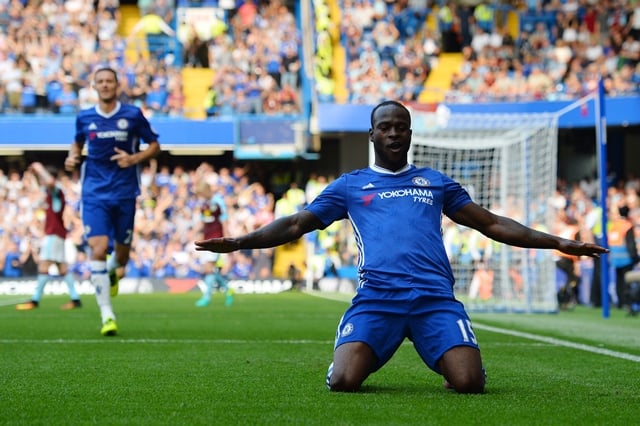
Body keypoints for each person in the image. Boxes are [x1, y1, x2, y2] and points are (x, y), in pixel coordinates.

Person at [195, 100, 608, 393]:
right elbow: (298, 223)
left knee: (469, 384)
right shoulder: (351, 186)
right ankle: (350, 350)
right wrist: (242, 243)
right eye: (386, 127)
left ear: (410, 133)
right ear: (372, 134)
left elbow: (492, 223)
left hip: (434, 299)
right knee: (343, 382)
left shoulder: (436, 182)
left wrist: (559, 242)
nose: (394, 133)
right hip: (378, 299)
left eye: (401, 127)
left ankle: (449, 357)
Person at [65, 67, 161, 336]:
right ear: (93, 86)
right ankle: (107, 315)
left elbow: (154, 145)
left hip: (125, 192)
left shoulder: (131, 114)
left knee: (121, 257)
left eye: (110, 81)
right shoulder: (84, 117)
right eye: (101, 81)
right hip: (94, 192)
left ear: (118, 85)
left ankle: (110, 271)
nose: (105, 85)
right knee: (98, 248)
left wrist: (133, 159)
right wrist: (72, 157)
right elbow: (76, 144)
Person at [16, 162, 82, 311]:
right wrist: (34, 174)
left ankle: (35, 300)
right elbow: (43, 184)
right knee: (62, 267)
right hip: (58, 234)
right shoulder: (51, 193)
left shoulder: (56, 190)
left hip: (54, 234)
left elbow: (50, 182)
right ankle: (75, 299)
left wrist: (39, 168)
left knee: (44, 264)